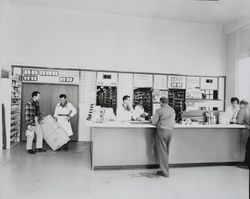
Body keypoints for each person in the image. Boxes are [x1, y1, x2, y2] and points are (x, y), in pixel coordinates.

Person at [151, 96, 176, 177]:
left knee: (162, 152)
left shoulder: (159, 110)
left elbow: (153, 122)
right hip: (170, 131)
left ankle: (165, 172)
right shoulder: (172, 110)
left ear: (161, 102)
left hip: (162, 131)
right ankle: (166, 169)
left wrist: (151, 120)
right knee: (166, 151)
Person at [236, 100, 250, 169]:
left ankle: (247, 164)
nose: (239, 106)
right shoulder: (249, 109)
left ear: (242, 104)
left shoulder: (243, 110)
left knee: (248, 147)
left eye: (240, 105)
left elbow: (239, 121)